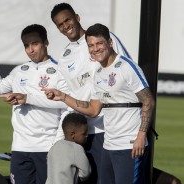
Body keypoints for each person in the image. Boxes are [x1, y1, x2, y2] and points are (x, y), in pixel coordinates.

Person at [44, 23, 155, 184]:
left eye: (99, 43)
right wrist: (63, 96)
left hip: (129, 145)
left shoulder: (126, 67)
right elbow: (93, 109)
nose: (95, 48)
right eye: (91, 45)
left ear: (110, 43)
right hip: (109, 145)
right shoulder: (99, 73)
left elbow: (148, 101)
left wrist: (141, 136)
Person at [0, 24, 69, 184]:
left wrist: (57, 142)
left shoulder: (60, 71)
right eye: (26, 45)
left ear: (46, 43)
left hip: (47, 147)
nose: (30, 49)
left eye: (35, 44)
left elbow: (67, 105)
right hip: (20, 147)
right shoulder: (20, 70)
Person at [50, 3, 131, 183]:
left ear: (77, 18)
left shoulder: (102, 40)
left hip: (110, 127)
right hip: (84, 131)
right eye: (60, 24)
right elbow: (70, 97)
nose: (65, 26)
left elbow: (125, 70)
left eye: (68, 20)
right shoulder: (64, 59)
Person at [46, 113, 91, 184]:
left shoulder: (55, 145)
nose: (87, 136)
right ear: (72, 134)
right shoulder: (77, 148)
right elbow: (86, 172)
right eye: (84, 134)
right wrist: (76, 177)